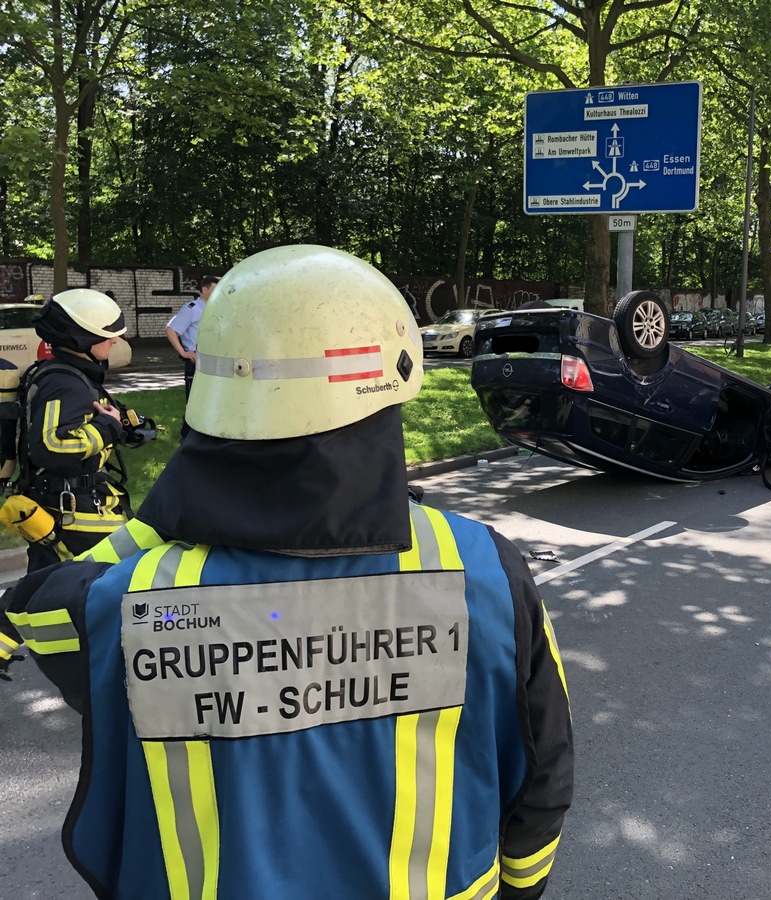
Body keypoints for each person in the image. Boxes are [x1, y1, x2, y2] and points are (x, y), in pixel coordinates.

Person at [0, 245, 573, 899]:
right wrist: (521, 888)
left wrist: (160, 517)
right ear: (390, 386)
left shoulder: (130, 601)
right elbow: (544, 770)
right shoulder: (484, 569)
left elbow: (36, 607)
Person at [13, 290, 139, 572]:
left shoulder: (73, 374)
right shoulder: (65, 383)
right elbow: (51, 446)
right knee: (80, 590)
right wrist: (108, 427)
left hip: (73, 506)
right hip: (76, 515)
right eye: (106, 335)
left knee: (50, 587)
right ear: (83, 340)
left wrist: (122, 426)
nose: (113, 340)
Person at [165, 275, 220, 434]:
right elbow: (171, 330)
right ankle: (187, 435)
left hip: (211, 359)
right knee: (195, 402)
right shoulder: (192, 308)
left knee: (209, 400)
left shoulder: (213, 308)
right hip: (195, 360)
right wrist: (183, 352)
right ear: (204, 289)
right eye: (214, 289)